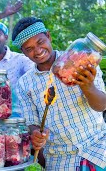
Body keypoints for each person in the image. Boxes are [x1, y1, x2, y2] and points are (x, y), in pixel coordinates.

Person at [12, 17, 106, 170]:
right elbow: (32, 123)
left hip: (98, 151)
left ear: (48, 36)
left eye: (40, 42)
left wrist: (89, 87)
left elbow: (102, 105)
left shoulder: (80, 59)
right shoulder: (24, 84)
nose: (37, 51)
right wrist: (35, 133)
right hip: (60, 161)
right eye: (29, 49)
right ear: (23, 52)